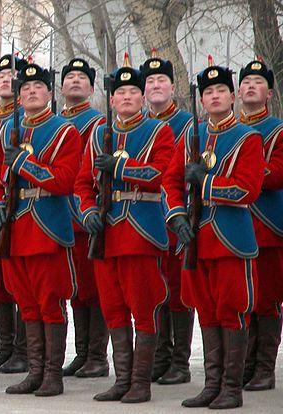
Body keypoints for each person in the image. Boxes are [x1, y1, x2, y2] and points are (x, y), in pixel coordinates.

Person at [163, 56, 265, 409]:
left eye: (222, 89)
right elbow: (170, 181)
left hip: (231, 239)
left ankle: (231, 389)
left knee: (231, 310)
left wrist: (205, 183)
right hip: (195, 239)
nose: (215, 96)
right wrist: (176, 216)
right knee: (205, 311)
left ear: (232, 96)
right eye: (209, 92)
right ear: (202, 100)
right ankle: (211, 384)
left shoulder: (247, 137)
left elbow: (247, 189)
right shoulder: (193, 135)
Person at [75, 54, 174, 403]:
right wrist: (87, 212)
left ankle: (141, 382)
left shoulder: (159, 131)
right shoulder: (100, 135)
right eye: (121, 92)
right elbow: (81, 184)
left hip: (140, 232)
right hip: (106, 233)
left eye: (134, 91)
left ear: (143, 98)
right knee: (113, 308)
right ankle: (122, 380)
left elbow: (159, 174)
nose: (128, 96)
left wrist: (120, 166)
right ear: (112, 99)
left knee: (142, 307)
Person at [0, 59, 81, 396]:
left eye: (36, 87)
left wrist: (23, 162)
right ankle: (34, 370)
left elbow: (64, 180)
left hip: (46, 227)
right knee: (25, 302)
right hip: (14, 226)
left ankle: (52, 375)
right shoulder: (7, 131)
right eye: (24, 88)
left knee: (49, 301)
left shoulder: (63, 131)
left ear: (49, 92)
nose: (30, 92)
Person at [139, 50, 195, 385]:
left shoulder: (187, 124)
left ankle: (180, 361)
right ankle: (159, 356)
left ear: (173, 88)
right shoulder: (136, 123)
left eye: (162, 80)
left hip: (175, 215)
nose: (156, 85)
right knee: (152, 288)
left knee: (177, 288)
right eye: (150, 81)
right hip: (144, 217)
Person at [59, 57, 109, 378]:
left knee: (93, 287)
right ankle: (81, 353)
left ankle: (97, 356)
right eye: (70, 77)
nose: (75, 81)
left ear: (91, 87)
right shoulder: (53, 121)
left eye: (82, 77)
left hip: (82, 215)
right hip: (57, 216)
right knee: (75, 288)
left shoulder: (97, 124)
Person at [0, 53, 29, 375]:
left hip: (22, 207)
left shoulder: (28, 116)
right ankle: (6, 348)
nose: (5, 79)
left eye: (12, 74)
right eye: (0, 74)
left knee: (24, 283)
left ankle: (26, 351)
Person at [237, 57, 283, 392]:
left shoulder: (278, 130)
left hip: (266, 226)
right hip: (233, 227)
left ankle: (264, 368)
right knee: (242, 300)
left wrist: (243, 175)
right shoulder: (229, 129)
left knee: (266, 299)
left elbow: (278, 174)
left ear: (269, 92)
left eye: (258, 83)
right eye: (246, 82)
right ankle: (245, 365)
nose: (251, 86)